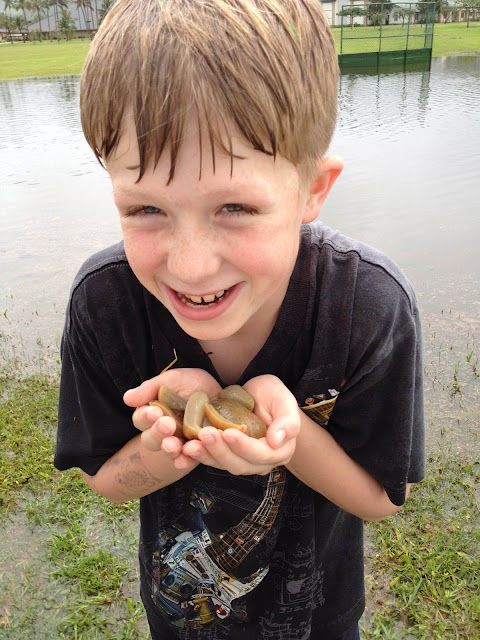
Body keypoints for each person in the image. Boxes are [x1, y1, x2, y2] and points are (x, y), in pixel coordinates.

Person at [54, 0, 425, 638]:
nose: (191, 267)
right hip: (181, 618)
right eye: (145, 209)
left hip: (320, 621)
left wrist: (292, 437)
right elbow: (105, 480)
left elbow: (382, 499)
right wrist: (171, 442)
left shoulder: (369, 307)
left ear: (313, 189)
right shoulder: (104, 304)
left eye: (235, 208)